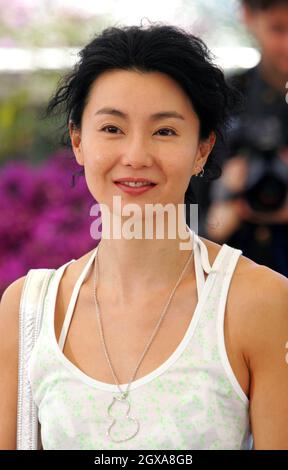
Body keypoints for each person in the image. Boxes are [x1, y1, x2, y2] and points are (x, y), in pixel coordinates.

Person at [0, 22, 288, 451]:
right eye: (112, 129)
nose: (136, 156)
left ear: (203, 149)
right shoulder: (28, 309)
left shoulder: (260, 301)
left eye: (165, 131)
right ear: (78, 141)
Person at [203, 0, 288, 276]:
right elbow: (184, 219)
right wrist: (219, 210)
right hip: (232, 275)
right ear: (249, 16)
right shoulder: (222, 100)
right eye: (278, 29)